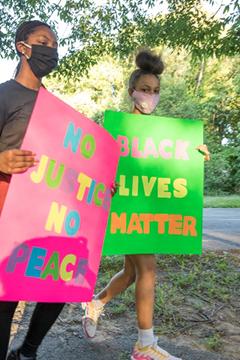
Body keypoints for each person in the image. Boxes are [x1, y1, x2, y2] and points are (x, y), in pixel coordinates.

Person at [81, 50, 210, 360]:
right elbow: (95, 164)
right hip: (125, 207)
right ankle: (144, 346)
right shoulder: (116, 127)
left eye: (155, 91)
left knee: (132, 273)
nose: (150, 96)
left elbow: (173, 163)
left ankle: (95, 303)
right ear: (132, 92)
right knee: (148, 268)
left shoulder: (164, 134)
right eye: (145, 90)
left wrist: (197, 154)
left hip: (149, 209)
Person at [0, 20, 65, 360]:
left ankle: (26, 352)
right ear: (22, 47)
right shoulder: (4, 94)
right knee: (5, 301)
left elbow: (68, 164)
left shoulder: (57, 108)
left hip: (47, 219)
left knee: (58, 288)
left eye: (54, 44)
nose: (50, 49)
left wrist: (98, 183)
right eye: (42, 41)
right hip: (7, 219)